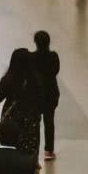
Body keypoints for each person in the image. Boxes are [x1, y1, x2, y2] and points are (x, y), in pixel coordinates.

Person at [0, 47, 42, 155]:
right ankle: (31, 164)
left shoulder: (9, 79)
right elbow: (41, 98)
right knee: (30, 144)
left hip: (13, 116)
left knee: (12, 145)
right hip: (31, 117)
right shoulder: (35, 79)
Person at [32, 30, 61, 160]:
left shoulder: (32, 57)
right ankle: (49, 151)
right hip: (51, 93)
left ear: (35, 42)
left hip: (36, 93)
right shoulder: (54, 57)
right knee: (49, 122)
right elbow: (55, 71)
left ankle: (34, 151)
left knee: (35, 123)